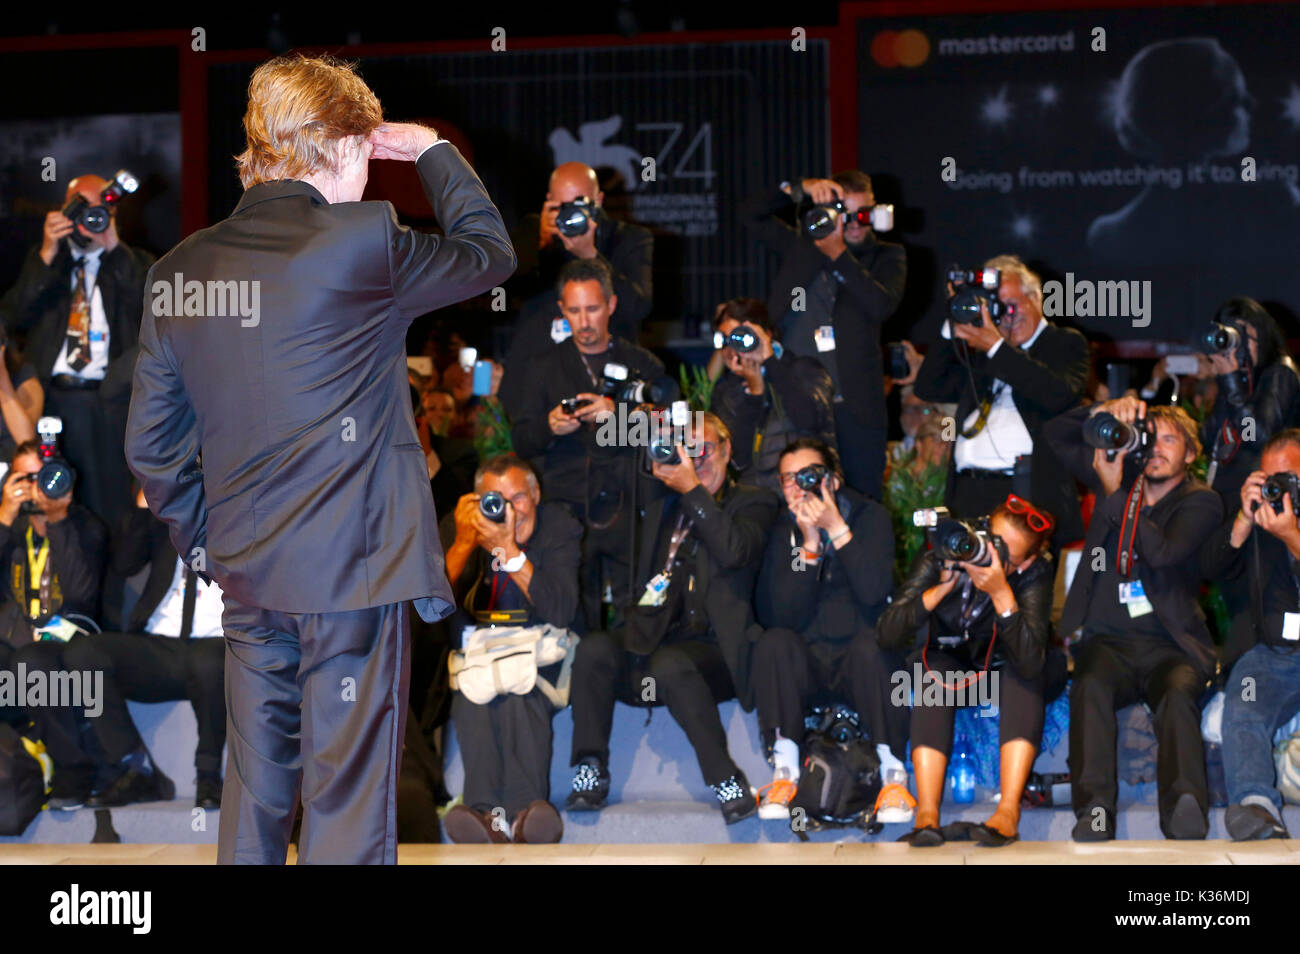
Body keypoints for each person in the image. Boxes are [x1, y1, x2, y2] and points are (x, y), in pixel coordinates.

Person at [124, 54, 516, 865]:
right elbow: (490, 254)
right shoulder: (362, 240)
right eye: (368, 155)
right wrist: (430, 149)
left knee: (259, 787)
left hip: (245, 576)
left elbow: (151, 449)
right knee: (346, 795)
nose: (371, 173)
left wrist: (205, 543)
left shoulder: (178, 272)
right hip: (353, 576)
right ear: (340, 147)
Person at [566, 413, 778, 822]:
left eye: (704, 448)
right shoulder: (661, 503)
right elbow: (611, 460)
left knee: (670, 664)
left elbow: (734, 551)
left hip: (715, 650)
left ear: (728, 449)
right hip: (651, 636)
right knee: (594, 650)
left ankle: (726, 781)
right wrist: (639, 420)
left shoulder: (754, 501)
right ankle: (590, 768)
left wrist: (694, 492)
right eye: (684, 449)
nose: (694, 459)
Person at [1045, 397, 1223, 841]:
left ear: (1191, 453)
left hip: (1171, 645)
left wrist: (1114, 494)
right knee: (1089, 686)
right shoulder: (1120, 472)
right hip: (1108, 642)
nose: (1157, 449)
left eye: (1170, 439)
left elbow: (1161, 553)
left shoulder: (1202, 502)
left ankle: (1184, 807)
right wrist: (1104, 411)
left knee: (1179, 695)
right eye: (1151, 438)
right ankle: (1095, 812)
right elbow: (1055, 434)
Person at [879, 497, 1061, 846]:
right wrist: (940, 590)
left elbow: (1029, 658)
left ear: (1025, 563)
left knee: (1023, 673)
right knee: (935, 676)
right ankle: (927, 815)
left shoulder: (1036, 572)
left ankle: (1007, 812)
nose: (988, 553)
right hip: (956, 665)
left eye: (1004, 552)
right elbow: (886, 634)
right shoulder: (945, 550)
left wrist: (1001, 593)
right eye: (990, 538)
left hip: (1008, 670)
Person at [510, 258, 675, 632]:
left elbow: (668, 432)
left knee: (636, 613)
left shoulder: (641, 363)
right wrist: (549, 426)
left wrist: (616, 415)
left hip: (627, 505)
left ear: (611, 305)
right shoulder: (543, 367)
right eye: (575, 311)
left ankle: (635, 686)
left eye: (593, 309)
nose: (584, 322)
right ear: (562, 310)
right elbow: (521, 441)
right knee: (573, 618)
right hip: (565, 508)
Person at [750, 439, 898, 817]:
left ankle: (894, 775)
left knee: (874, 646)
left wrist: (837, 529)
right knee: (774, 643)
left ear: (833, 479)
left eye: (809, 475)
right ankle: (784, 771)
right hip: (810, 660)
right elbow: (783, 615)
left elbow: (873, 592)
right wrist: (811, 547)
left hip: (860, 660)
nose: (799, 487)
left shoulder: (870, 517)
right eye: (788, 479)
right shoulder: (781, 530)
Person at [55, 486, 226, 810]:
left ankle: (208, 777)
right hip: (159, 645)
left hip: (219, 642)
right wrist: (142, 509)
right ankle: (135, 769)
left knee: (207, 660)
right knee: (84, 653)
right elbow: (122, 564)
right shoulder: (169, 517)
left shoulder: (244, 515)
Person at [440, 455, 581, 844]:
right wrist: (466, 544)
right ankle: (487, 817)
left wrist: (510, 550)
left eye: (517, 497)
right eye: (493, 499)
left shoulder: (558, 528)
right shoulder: (460, 528)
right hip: (477, 659)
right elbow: (429, 607)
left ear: (536, 495)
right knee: (473, 694)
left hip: (544, 655)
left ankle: (523, 816)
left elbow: (562, 609)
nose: (507, 509)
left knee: (519, 691)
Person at [0, 175, 154, 529]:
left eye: (99, 207)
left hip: (110, 402)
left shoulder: (132, 261)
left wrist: (113, 245)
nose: (89, 218)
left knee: (112, 506)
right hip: (51, 400)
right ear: (63, 210)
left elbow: (148, 307)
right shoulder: (48, 263)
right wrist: (46, 252)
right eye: (81, 207)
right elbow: (12, 317)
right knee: (53, 500)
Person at [742, 171, 906, 499]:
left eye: (864, 214)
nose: (856, 223)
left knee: (861, 505)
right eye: (845, 214)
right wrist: (797, 189)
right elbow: (749, 214)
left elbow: (880, 305)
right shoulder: (801, 248)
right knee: (796, 501)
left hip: (856, 411)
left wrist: (839, 254)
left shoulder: (887, 256)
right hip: (796, 403)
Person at [914, 254, 1089, 551]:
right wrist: (953, 320)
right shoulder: (984, 353)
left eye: (1011, 305)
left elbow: (1058, 395)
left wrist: (996, 347)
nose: (1006, 316)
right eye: (996, 309)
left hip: (1024, 496)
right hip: (967, 492)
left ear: (1036, 297)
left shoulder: (1064, 343)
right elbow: (930, 386)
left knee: (1019, 594)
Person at [1202, 429, 1300, 840]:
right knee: (1244, 693)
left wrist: (1291, 535)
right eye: (1270, 478)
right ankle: (1257, 808)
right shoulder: (1264, 517)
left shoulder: (1282, 526)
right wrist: (1244, 516)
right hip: (1275, 655)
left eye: (1289, 479)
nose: (1280, 488)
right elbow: (1209, 571)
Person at [0, 439, 109, 807]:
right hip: (14, 642)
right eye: (25, 478)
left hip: (69, 643)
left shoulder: (85, 526)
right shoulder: (12, 531)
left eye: (43, 476)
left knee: (31, 662)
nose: (36, 487)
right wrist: (3, 516)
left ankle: (74, 770)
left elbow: (80, 597)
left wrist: (58, 519)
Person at [498, 161, 653, 419]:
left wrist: (591, 255)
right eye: (561, 206)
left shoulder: (629, 238)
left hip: (607, 371)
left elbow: (638, 307)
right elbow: (503, 294)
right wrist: (540, 245)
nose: (571, 215)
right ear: (548, 201)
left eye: (580, 205)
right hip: (537, 372)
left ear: (599, 200)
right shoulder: (534, 232)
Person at [709, 298, 836, 496]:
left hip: (808, 485)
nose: (732, 347)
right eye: (725, 340)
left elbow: (809, 420)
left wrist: (770, 363)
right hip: (758, 498)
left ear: (766, 334)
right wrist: (754, 393)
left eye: (741, 336)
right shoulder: (725, 393)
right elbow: (738, 460)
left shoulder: (802, 369)